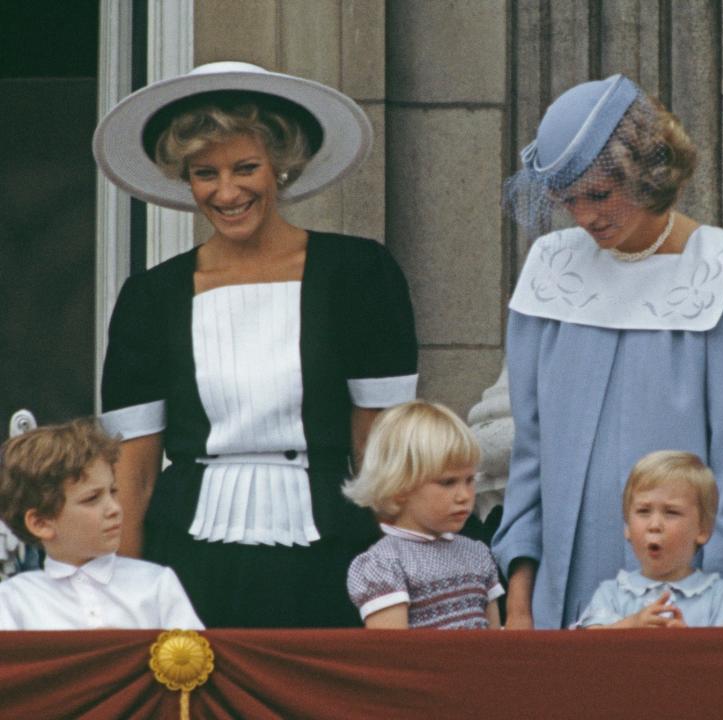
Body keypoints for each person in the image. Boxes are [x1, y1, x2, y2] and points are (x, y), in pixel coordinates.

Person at [93, 62, 418, 627]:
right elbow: (135, 471)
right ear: (185, 178)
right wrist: (124, 597)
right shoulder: (151, 296)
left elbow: (380, 444)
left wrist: (398, 569)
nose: (226, 191)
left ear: (282, 168)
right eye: (204, 173)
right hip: (187, 559)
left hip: (333, 550)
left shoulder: (360, 273)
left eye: (246, 168)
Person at [493, 74, 723, 628]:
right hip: (562, 593)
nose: (585, 217)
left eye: (600, 195)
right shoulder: (549, 270)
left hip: (689, 600)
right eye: (568, 199)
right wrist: (519, 593)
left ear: (649, 173)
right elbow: (530, 453)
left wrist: (722, 608)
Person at [0, 418, 202, 630]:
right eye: (92, 498)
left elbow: (195, 656)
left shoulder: (157, 584)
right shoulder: (14, 600)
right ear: (41, 523)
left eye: (113, 492)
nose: (114, 508)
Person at [343, 401, 503, 629]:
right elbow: (393, 654)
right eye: (448, 482)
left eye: (470, 480)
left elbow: (496, 642)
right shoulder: (385, 564)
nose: (464, 495)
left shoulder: (477, 553)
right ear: (399, 489)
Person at [575, 451, 723, 629]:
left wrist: (689, 644)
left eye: (671, 512)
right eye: (643, 511)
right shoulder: (612, 594)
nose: (655, 525)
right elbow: (588, 646)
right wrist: (632, 625)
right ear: (627, 527)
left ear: (702, 530)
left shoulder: (720, 596)